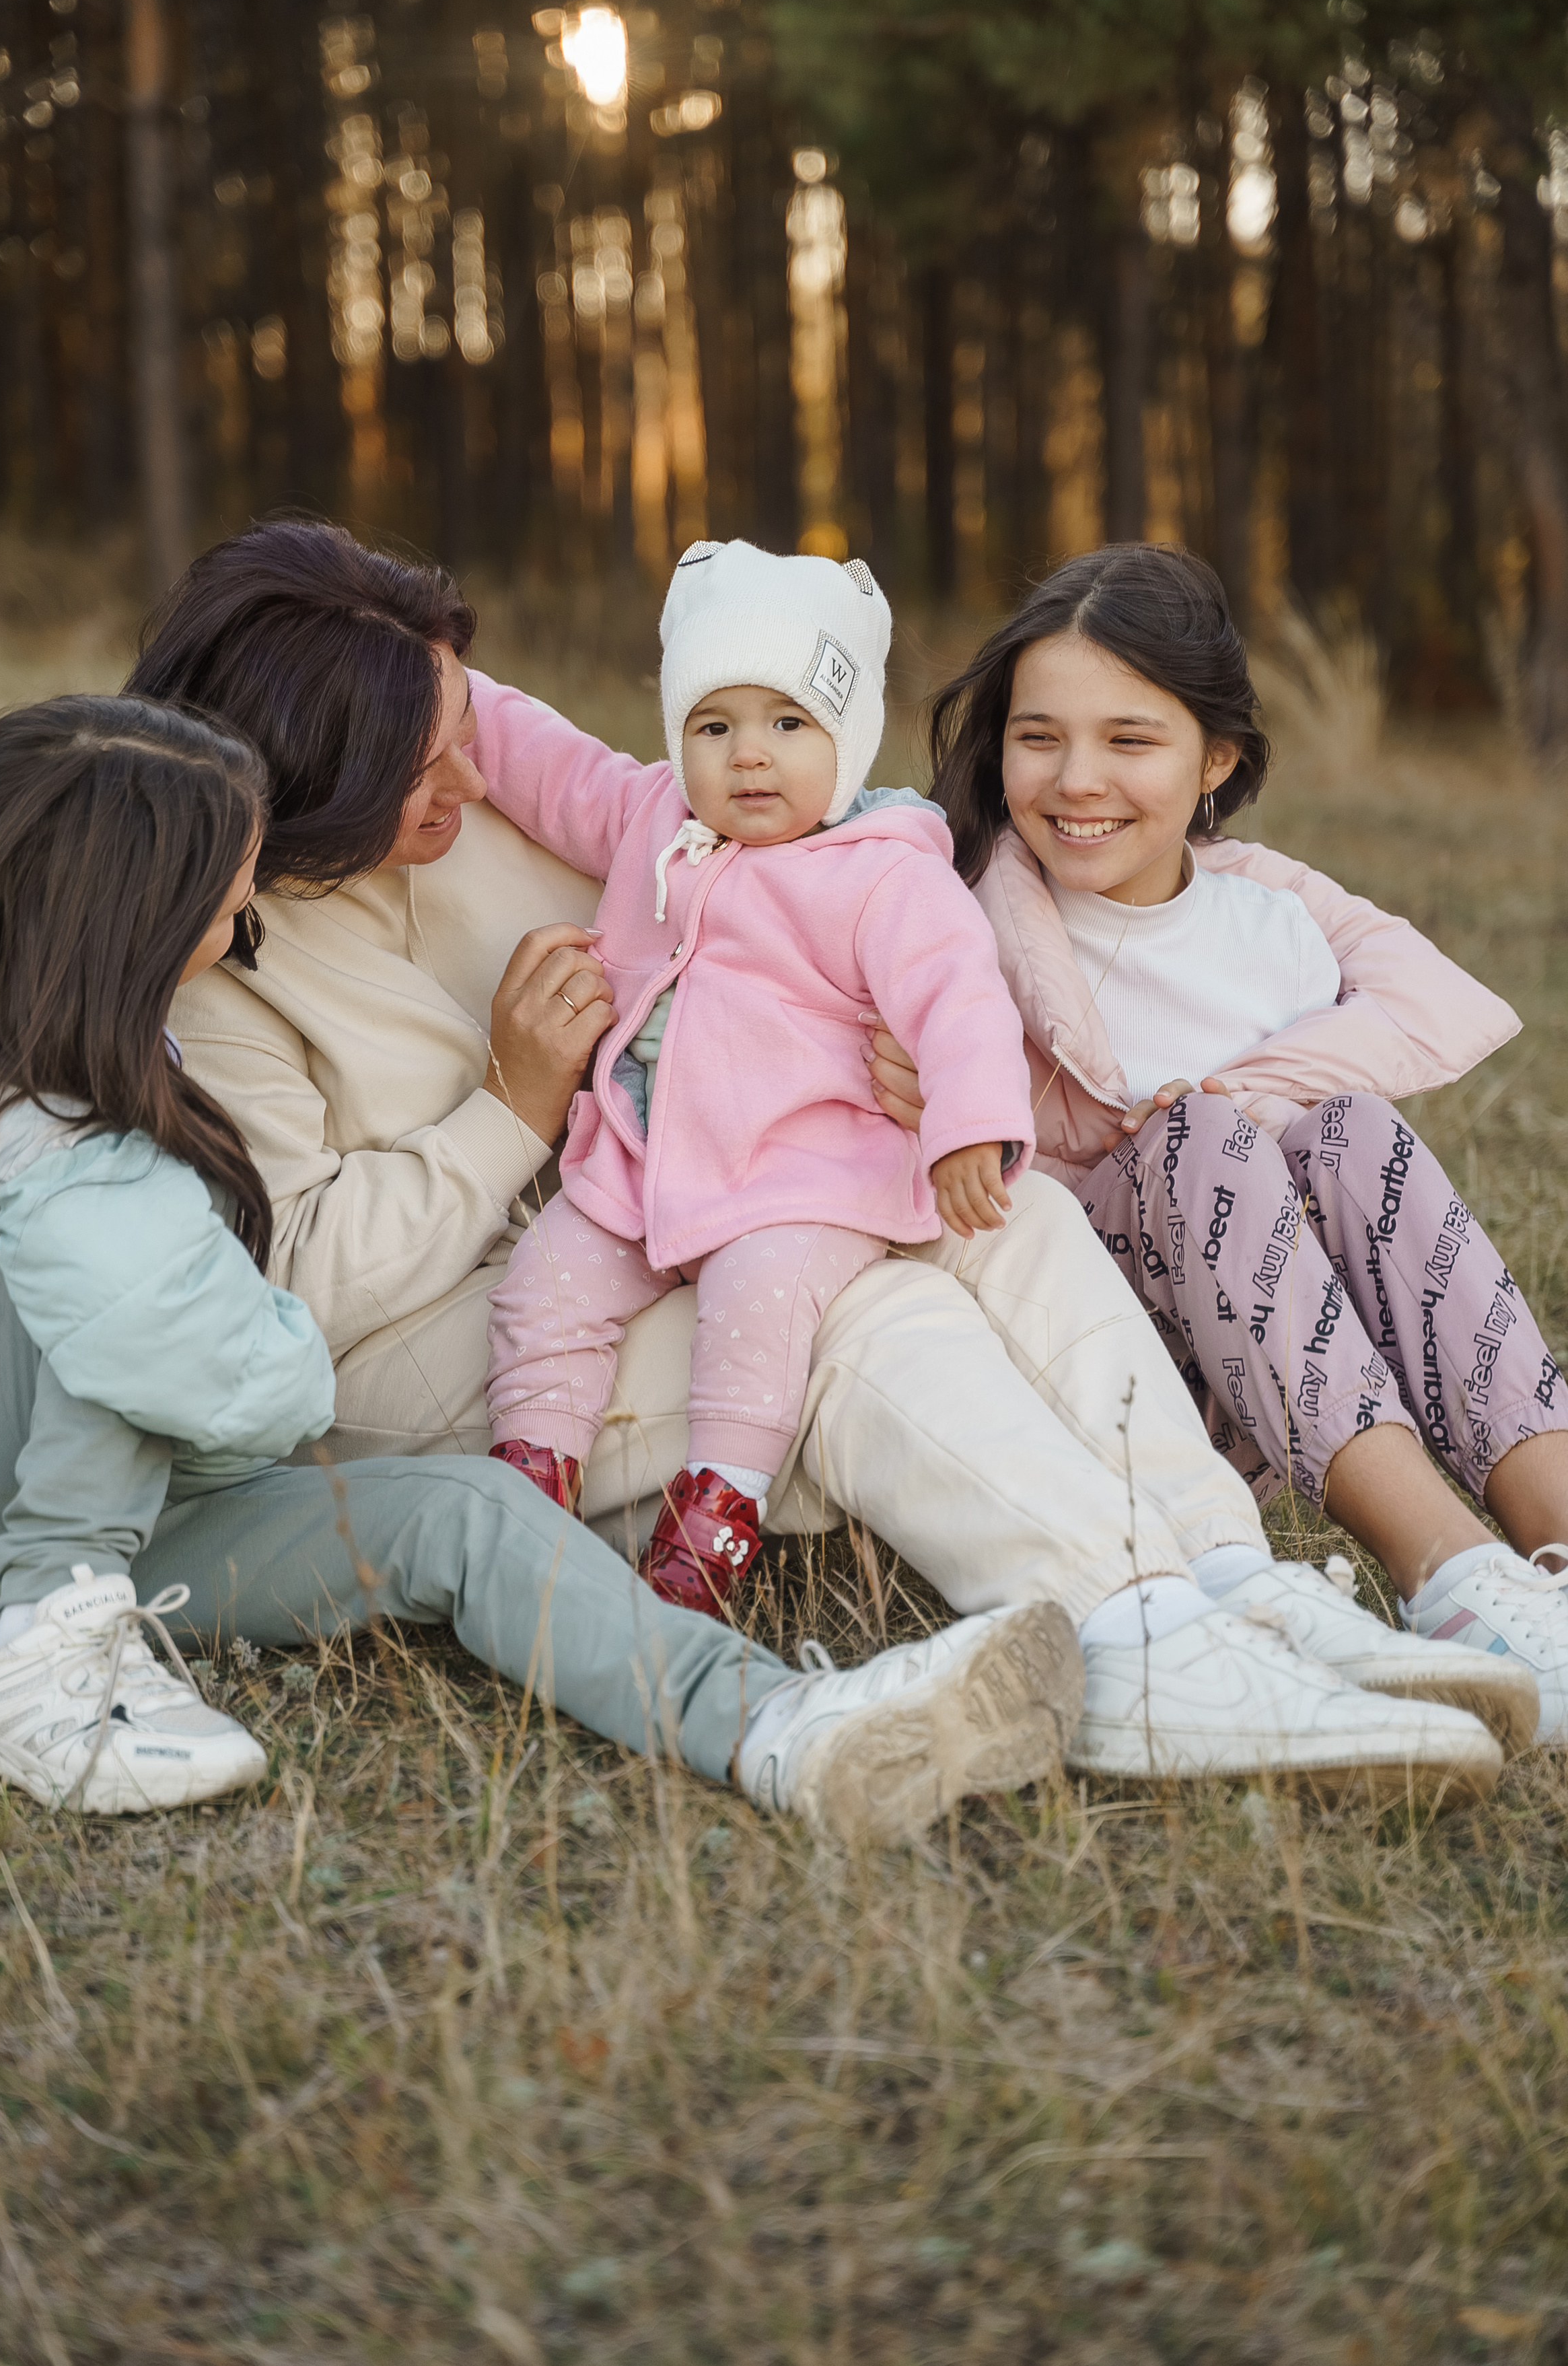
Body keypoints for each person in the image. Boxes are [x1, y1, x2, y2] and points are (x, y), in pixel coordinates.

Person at [151, 519, 1520, 1797]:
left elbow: (731, 884)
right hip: (458, 1329)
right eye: (426, 759)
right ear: (314, 776)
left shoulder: (471, 794)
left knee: (1003, 1220)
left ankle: (1229, 1577)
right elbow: (295, 1293)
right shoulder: (213, 964)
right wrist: (509, 1108)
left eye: (465, 729)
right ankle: (1133, 1640)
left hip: (693, 1198)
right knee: (872, 1309)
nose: (472, 771)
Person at [0, 694, 1092, 1844]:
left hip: (127, 1497)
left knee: (468, 1507)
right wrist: (284, 1363)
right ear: (125, 916)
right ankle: (30, 1667)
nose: (239, 936)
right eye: (223, 910)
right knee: (119, 1267)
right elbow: (198, 1359)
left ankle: (777, 1730)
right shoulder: (27, 1085)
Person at [876, 540, 1568, 1737]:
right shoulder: (953, 914)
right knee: (1197, 1141)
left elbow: (1435, 1004)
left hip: (1274, 1361)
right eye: (1039, 736)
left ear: (1217, 760)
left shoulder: (1271, 922)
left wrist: (1229, 1096)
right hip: (1107, 1367)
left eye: (1130, 741)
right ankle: (1447, 1575)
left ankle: (1555, 1543)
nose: (1076, 778)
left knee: (1350, 1131)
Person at [480, 540, 1034, 1617]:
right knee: (542, 1286)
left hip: (801, 1175)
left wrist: (969, 1125)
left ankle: (720, 1503)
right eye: (713, 725)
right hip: (644, 1164)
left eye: (788, 724)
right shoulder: (655, 823)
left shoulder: (882, 870)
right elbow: (549, 765)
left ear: (847, 735)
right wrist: (449, 690)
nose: (749, 757)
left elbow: (958, 996)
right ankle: (528, 1486)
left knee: (760, 1308)